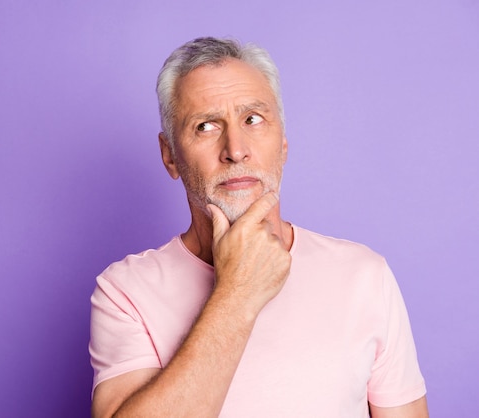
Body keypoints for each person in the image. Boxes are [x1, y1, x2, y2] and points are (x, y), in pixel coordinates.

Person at [89, 37, 428, 417]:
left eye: (253, 119)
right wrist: (236, 294)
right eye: (205, 126)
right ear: (170, 156)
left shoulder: (365, 275)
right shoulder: (124, 292)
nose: (235, 148)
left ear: (283, 143)